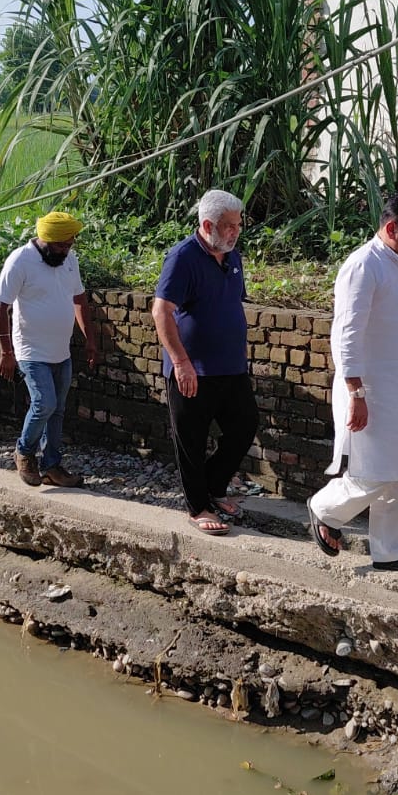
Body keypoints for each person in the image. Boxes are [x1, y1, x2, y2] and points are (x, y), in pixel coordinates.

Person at [306, 193, 398, 574]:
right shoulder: (363, 266)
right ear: (391, 228)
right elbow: (346, 334)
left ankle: (391, 550)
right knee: (377, 469)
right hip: (375, 389)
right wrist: (356, 392)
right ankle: (325, 507)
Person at [150, 189, 258, 536]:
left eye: (238, 225)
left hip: (231, 366)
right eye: (228, 226)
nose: (235, 232)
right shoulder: (182, 257)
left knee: (244, 426)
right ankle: (198, 506)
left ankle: (213, 486)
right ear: (208, 225)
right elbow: (161, 311)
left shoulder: (232, 256)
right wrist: (181, 362)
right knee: (192, 441)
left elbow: (230, 304)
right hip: (192, 369)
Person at [0, 210, 97, 488]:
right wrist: (6, 351)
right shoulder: (20, 260)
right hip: (31, 351)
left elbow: (79, 298)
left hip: (61, 351)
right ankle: (24, 452)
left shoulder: (69, 259)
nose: (66, 250)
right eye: (61, 246)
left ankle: (52, 466)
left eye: (69, 245)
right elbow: (0, 305)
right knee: (44, 404)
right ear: (46, 240)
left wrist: (90, 339)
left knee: (58, 410)